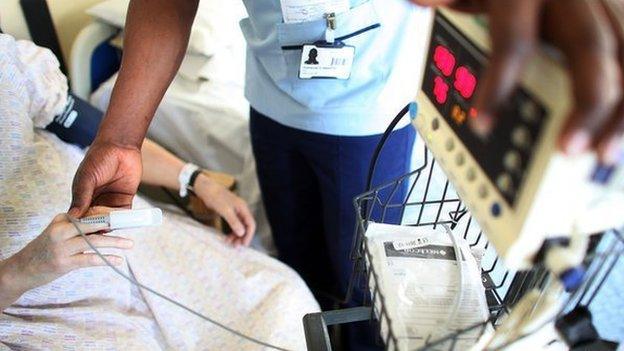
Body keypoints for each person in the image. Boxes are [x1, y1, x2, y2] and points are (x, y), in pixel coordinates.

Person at [69, 0, 624, 349]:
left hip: (366, 107)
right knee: (300, 261)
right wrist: (120, 136)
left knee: (363, 280)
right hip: (271, 95)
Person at [0, 33, 317, 350]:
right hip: (43, 312)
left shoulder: (9, 63)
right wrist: (24, 270)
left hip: (143, 253)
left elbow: (106, 143)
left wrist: (195, 179)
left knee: (282, 301)